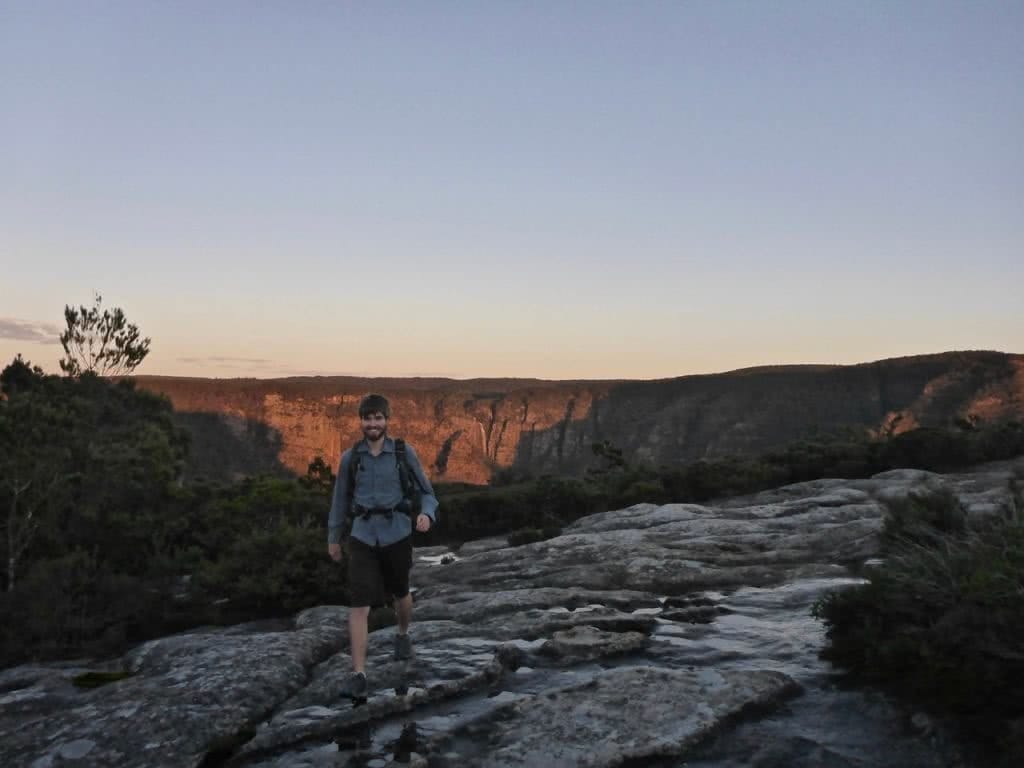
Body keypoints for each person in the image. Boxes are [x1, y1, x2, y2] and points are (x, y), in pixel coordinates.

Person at [327, 393, 438, 699]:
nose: (373, 423)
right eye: (368, 418)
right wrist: (333, 538)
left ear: (387, 420)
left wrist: (426, 514)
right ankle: (359, 673)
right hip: (362, 535)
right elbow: (339, 501)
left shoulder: (403, 453)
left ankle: (402, 634)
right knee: (359, 604)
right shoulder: (352, 459)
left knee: (400, 594)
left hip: (397, 533)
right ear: (360, 421)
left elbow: (427, 492)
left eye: (378, 418)